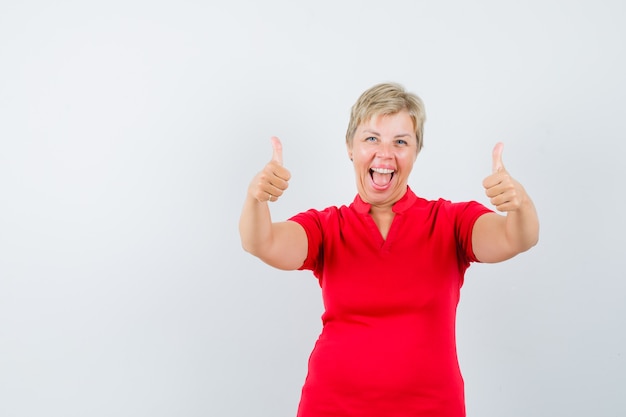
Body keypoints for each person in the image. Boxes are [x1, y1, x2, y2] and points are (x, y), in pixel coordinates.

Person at [239, 82, 539, 417]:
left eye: (400, 141)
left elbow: (517, 238)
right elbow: (261, 242)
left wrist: (520, 205)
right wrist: (256, 199)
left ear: (415, 151)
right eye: (371, 138)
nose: (385, 154)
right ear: (350, 147)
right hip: (332, 407)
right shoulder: (326, 227)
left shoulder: (451, 221)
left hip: (432, 408)